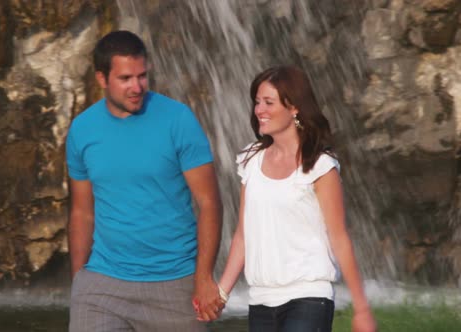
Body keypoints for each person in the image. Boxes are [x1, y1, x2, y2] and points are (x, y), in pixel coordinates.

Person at [66, 30, 224, 332]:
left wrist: (203, 278)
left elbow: (209, 203)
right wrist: (78, 282)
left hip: (173, 282)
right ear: (102, 79)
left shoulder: (178, 120)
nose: (136, 87)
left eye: (142, 76)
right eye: (125, 79)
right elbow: (82, 212)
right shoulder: (82, 130)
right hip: (102, 281)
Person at [214, 66, 377, 332]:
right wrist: (221, 294)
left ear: (294, 108)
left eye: (268, 102)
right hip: (260, 300)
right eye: (257, 102)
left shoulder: (320, 166)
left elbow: (339, 238)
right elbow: (244, 235)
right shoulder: (251, 160)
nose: (259, 110)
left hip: (309, 298)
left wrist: (362, 309)